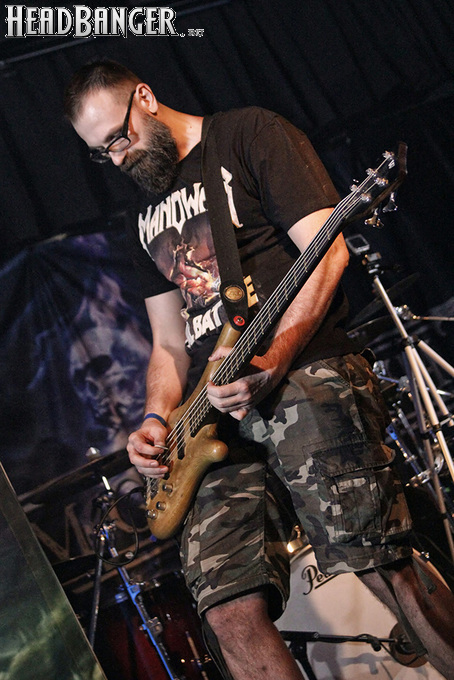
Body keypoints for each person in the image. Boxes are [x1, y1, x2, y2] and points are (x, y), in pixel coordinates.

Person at [64, 60, 454, 680]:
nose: (116, 156)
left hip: (302, 375)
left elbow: (326, 254)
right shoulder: (142, 217)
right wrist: (156, 419)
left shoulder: (249, 134)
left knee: (379, 558)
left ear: (146, 97)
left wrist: (272, 362)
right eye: (100, 151)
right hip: (211, 417)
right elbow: (168, 345)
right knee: (225, 609)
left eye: (119, 135)